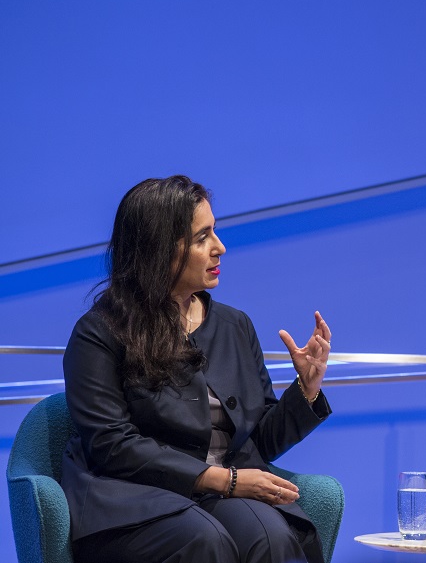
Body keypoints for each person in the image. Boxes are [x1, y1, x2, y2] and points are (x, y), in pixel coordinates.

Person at [61, 176, 334, 563]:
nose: (220, 248)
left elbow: (259, 442)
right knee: (204, 542)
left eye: (215, 233)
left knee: (272, 538)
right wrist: (226, 481)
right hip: (133, 499)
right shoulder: (99, 332)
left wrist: (305, 390)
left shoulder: (234, 325)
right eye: (202, 237)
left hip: (219, 494)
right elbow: (111, 444)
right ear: (159, 248)